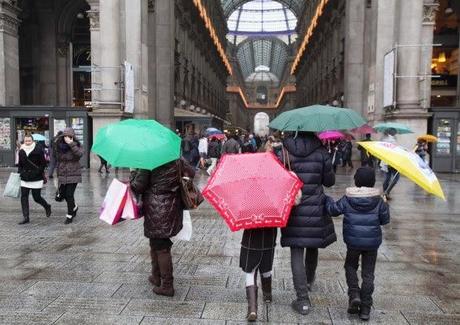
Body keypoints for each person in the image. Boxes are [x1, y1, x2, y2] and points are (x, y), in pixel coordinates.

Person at [280, 131, 336, 315]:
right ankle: (309, 280)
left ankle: (302, 299)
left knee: (296, 249)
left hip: (293, 208)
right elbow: (329, 182)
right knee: (312, 245)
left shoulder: (285, 151)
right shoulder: (321, 152)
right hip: (315, 207)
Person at [325, 167, 390, 321]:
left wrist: (327, 199)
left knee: (350, 266)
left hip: (353, 242)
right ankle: (366, 308)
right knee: (368, 273)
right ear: (373, 182)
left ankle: (354, 294)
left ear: (356, 181)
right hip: (372, 244)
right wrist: (385, 204)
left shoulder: (349, 198)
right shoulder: (378, 200)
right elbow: (385, 220)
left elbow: (333, 210)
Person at [130, 158, 195, 297]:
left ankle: (167, 285)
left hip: (156, 207)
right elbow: (191, 172)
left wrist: (133, 173)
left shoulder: (148, 159)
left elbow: (138, 186)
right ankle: (156, 276)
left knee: (161, 245)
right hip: (172, 205)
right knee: (156, 241)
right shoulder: (176, 157)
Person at [17, 134, 51, 225]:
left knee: (37, 197)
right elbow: (20, 164)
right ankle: (26, 217)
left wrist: (37, 172)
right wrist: (20, 172)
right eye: (26, 141)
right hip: (25, 177)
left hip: (36, 177)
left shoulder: (38, 150)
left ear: (32, 141)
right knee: (24, 197)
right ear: (24, 141)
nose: (27, 142)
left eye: (29, 141)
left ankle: (47, 206)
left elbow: (43, 164)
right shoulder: (21, 151)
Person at [54, 127, 84, 224]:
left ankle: (69, 215)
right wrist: (57, 174)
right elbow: (57, 159)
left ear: (73, 137)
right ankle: (74, 207)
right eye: (65, 136)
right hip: (63, 173)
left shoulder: (77, 145)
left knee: (69, 194)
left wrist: (71, 144)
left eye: (69, 136)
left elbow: (79, 154)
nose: (66, 138)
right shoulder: (59, 146)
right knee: (64, 195)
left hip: (74, 173)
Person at [380, 128, 400, 200]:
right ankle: (386, 192)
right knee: (396, 178)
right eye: (395, 131)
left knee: (387, 178)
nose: (396, 132)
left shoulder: (384, 139)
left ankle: (385, 193)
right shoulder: (391, 140)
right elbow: (395, 150)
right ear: (392, 132)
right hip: (392, 161)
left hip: (386, 161)